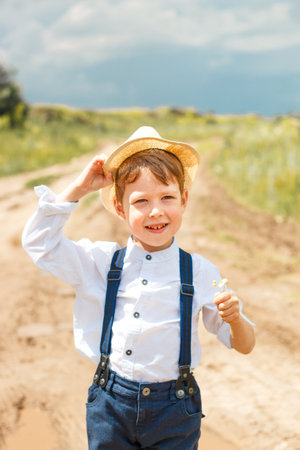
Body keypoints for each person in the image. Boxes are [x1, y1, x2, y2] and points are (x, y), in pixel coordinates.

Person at [22, 126, 255, 449]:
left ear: (184, 200)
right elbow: (39, 244)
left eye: (167, 197)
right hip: (110, 406)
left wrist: (235, 318)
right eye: (141, 201)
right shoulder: (100, 263)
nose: (156, 210)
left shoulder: (201, 271)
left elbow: (244, 344)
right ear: (121, 209)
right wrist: (78, 189)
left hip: (174, 409)